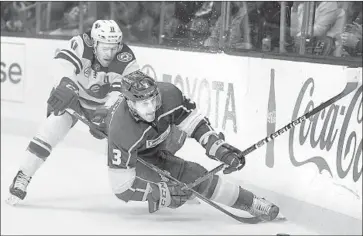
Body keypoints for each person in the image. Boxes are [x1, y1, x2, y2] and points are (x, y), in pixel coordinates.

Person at [105, 70, 280, 221]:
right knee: (192, 177)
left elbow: (194, 122)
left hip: (165, 136)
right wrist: (157, 193)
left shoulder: (169, 95)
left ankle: (251, 202)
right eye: (144, 103)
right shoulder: (121, 130)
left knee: (193, 176)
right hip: (140, 158)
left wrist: (218, 148)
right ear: (131, 104)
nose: (152, 107)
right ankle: (169, 181)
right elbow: (121, 188)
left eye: (153, 99)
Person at [7, 19, 140, 205]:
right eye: (105, 47)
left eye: (114, 47)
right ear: (95, 43)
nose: (110, 53)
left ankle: (148, 175)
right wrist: (66, 83)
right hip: (73, 98)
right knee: (51, 129)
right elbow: (61, 64)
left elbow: (123, 94)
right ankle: (23, 175)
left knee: (131, 139)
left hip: (102, 107)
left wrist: (108, 114)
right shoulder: (82, 44)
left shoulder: (125, 58)